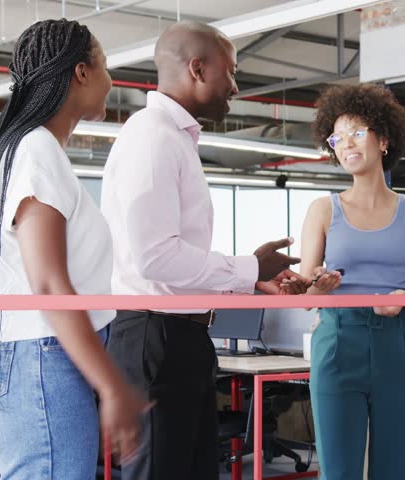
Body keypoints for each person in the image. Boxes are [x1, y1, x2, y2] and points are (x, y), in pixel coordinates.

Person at [101, 21, 305, 480]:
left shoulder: (174, 139)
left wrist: (250, 279)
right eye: (230, 72)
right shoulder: (152, 137)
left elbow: (173, 259)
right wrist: (249, 265)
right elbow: (156, 258)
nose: (234, 86)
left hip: (182, 336)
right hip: (157, 337)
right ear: (197, 68)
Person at [0, 18, 149, 479]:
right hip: (40, 365)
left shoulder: (23, 148)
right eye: (105, 66)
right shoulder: (36, 149)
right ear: (81, 73)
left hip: (28, 362)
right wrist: (112, 385)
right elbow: (47, 282)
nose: (111, 81)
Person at [285, 83, 405, 479]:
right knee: (338, 472)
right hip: (339, 341)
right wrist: (316, 289)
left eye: (357, 132)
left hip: (400, 346)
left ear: (384, 139)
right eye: (338, 137)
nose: (347, 144)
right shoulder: (322, 210)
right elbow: (305, 296)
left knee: (395, 471)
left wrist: (404, 301)